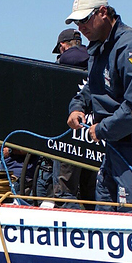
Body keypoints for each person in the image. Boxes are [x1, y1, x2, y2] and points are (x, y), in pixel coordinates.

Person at [65, 0, 132, 212]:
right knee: (105, 209)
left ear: (103, 12)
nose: (80, 27)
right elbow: (92, 86)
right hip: (115, 144)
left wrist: (101, 129)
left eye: (84, 20)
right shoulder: (99, 46)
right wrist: (77, 106)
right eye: (77, 22)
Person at [52, 28, 95, 208]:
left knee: (64, 192)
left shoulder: (67, 59)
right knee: (90, 192)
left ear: (63, 45)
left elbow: (72, 57)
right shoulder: (94, 58)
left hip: (69, 137)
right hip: (92, 136)